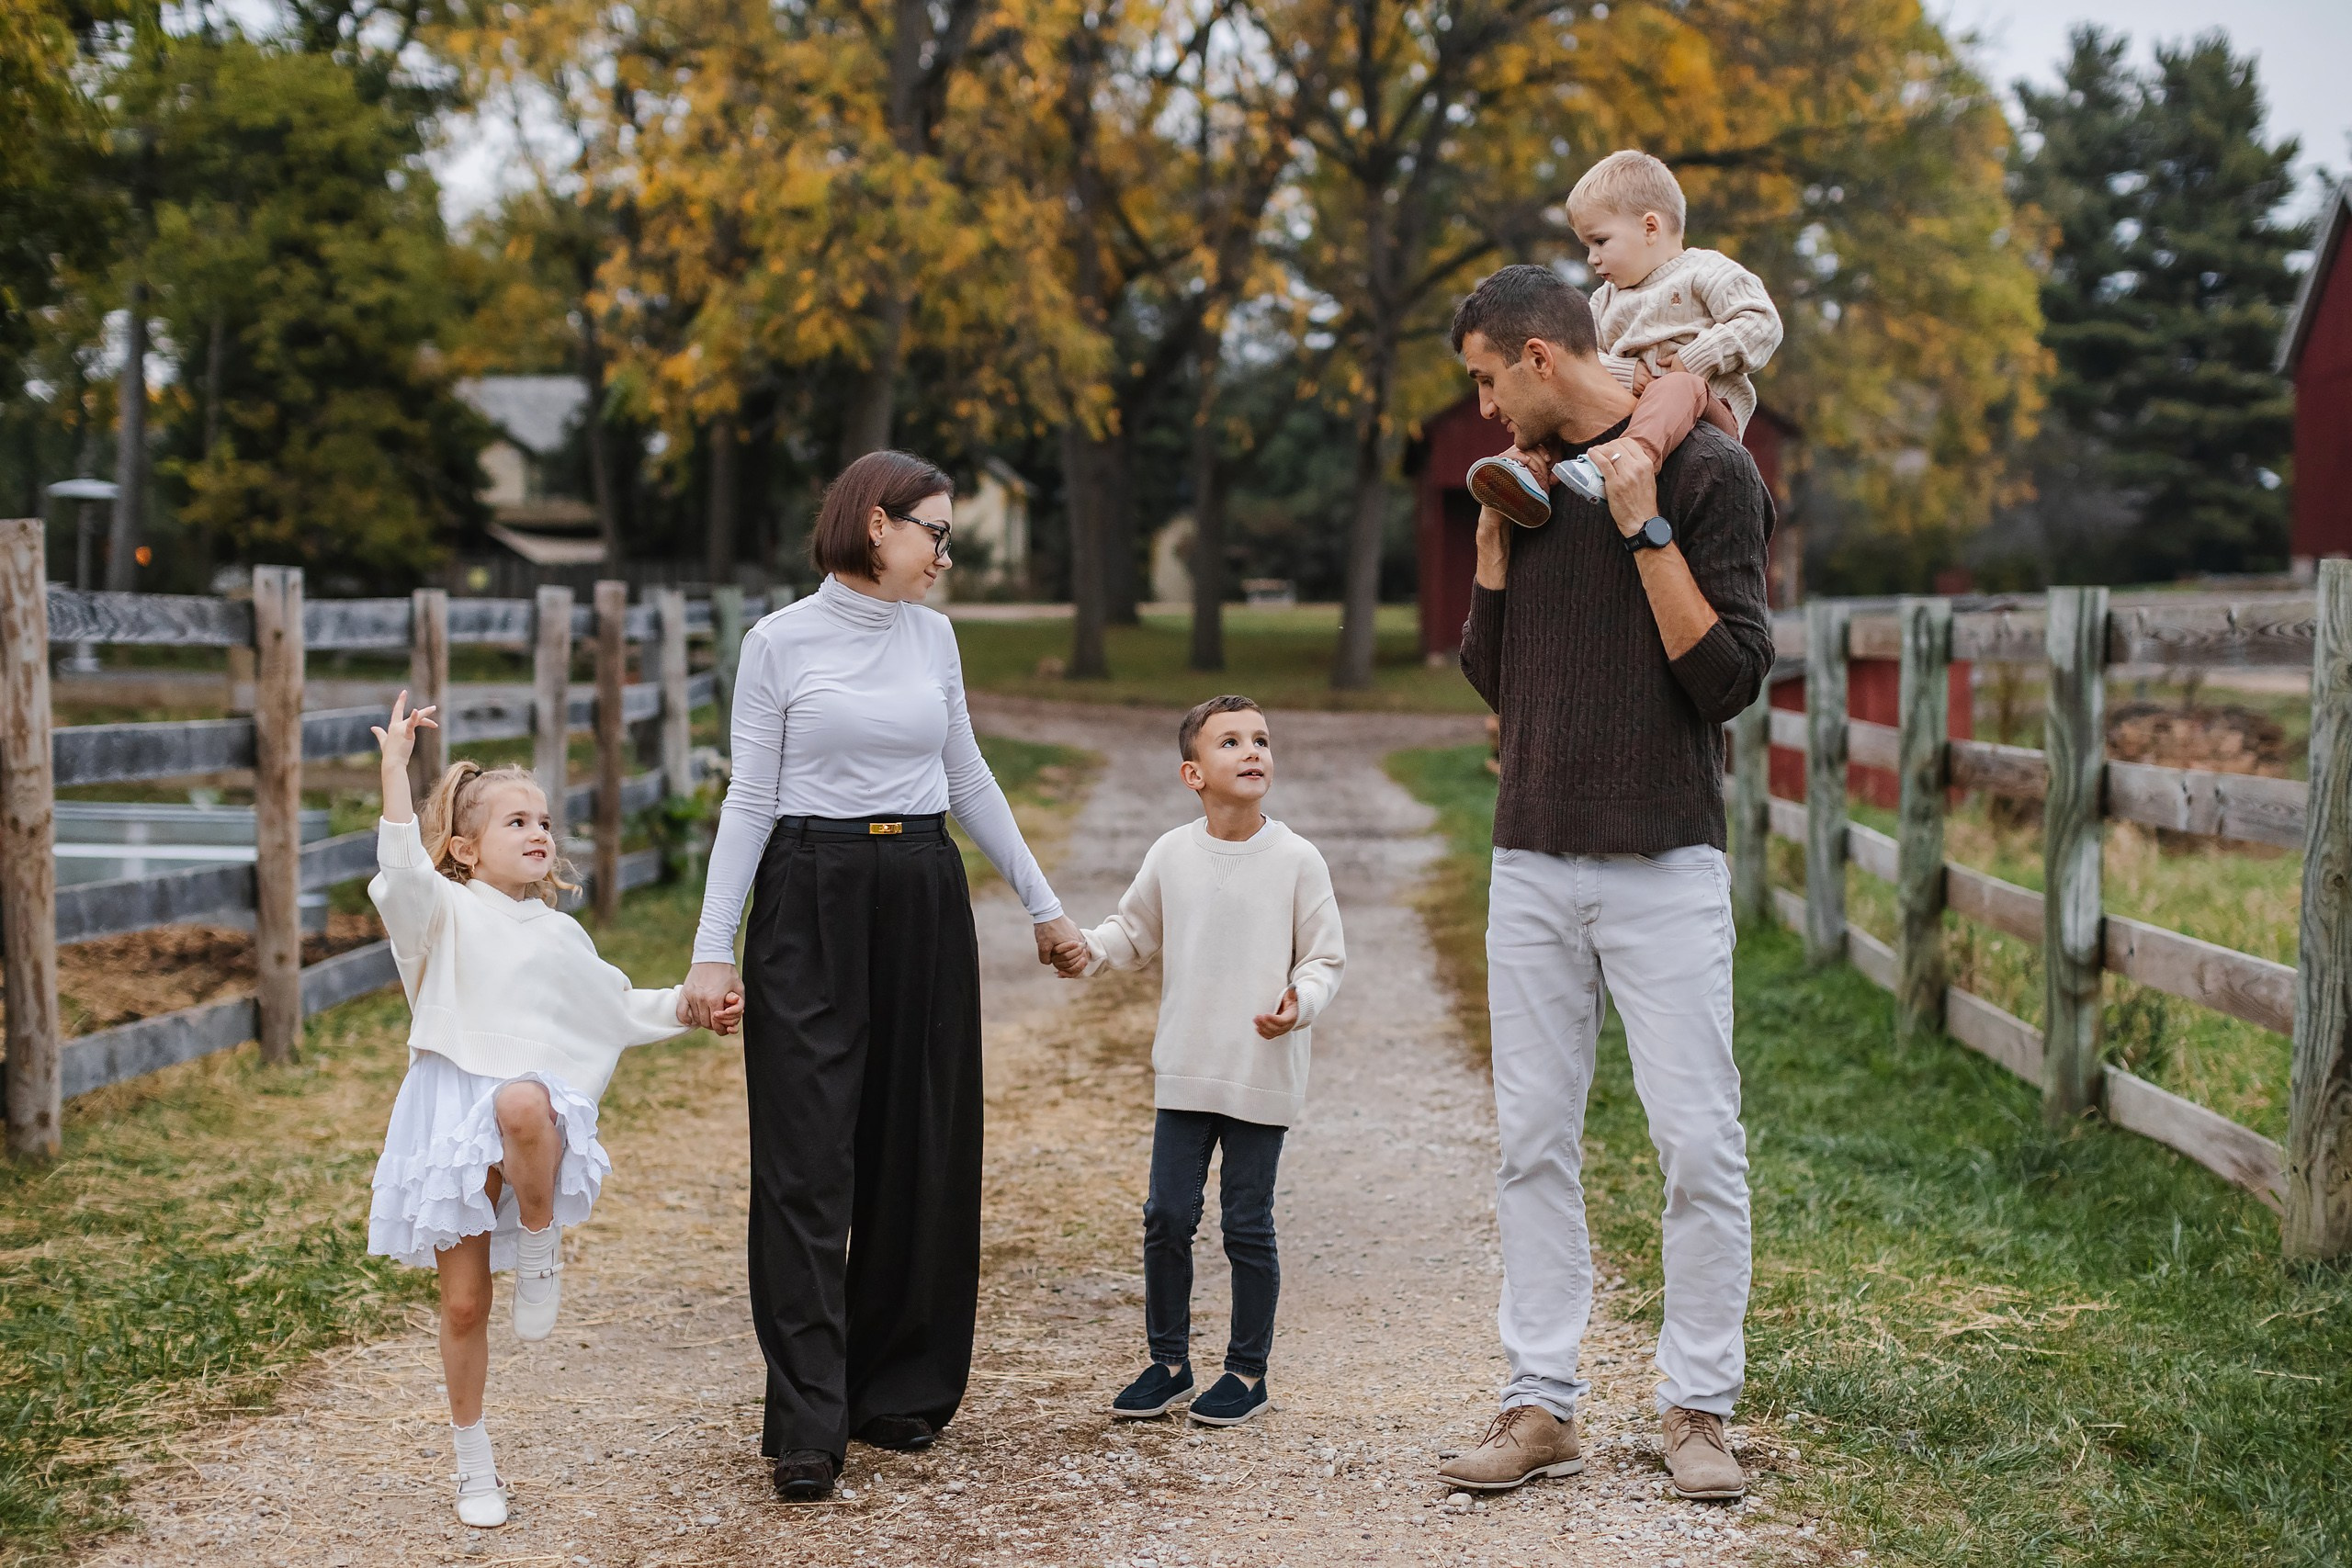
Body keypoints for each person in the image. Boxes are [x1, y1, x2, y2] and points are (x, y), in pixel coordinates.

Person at [676, 450, 1083, 1503]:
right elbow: (747, 800)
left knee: (921, 1142)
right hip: (809, 891)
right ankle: (808, 1419)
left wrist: (1042, 906)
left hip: (920, 887)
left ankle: (898, 1386)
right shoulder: (777, 643)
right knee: (808, 1156)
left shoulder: (933, 637)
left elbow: (967, 775)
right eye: (936, 533)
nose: (947, 552)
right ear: (875, 527)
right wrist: (711, 948)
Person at [1438, 263, 1775, 1502]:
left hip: (1664, 861)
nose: (1481, 411)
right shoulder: (1521, 493)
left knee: (1696, 1141)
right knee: (1532, 1137)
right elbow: (1501, 681)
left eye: (1486, 379)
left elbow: (1729, 678)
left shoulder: (1706, 474)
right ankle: (1541, 1401)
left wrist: (1641, 523)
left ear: (1538, 357)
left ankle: (1697, 1403)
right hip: (1530, 855)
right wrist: (1489, 545)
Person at [365, 694, 736, 1528]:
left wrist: (693, 1004)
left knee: (523, 1097)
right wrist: (397, 772)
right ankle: (473, 1466)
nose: (539, 833)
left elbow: (614, 1007)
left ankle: (539, 1233)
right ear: (464, 847)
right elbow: (401, 884)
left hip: (527, 1120)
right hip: (448, 1113)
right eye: (514, 823)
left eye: (543, 820)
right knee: (463, 1304)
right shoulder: (443, 912)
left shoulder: (559, 935)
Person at [1049, 695, 1344, 1428]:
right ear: (1193, 772)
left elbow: (1325, 959)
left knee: (1247, 1223)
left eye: (1262, 740)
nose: (1253, 752)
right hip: (1185, 1069)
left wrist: (1297, 1003)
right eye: (1232, 742)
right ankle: (1168, 1362)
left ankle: (1247, 1372)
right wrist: (1085, 950)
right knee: (1166, 1216)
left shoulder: (1299, 860)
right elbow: (1132, 930)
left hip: (1260, 1072)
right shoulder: (1172, 853)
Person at [1467, 150, 1782, 531]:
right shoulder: (1603, 300)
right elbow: (1583, 360)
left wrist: (1698, 358)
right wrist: (1626, 369)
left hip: (1708, 412)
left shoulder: (1705, 271)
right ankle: (1524, 473)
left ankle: (1628, 460)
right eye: (1587, 246)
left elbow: (1761, 321)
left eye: (1600, 241)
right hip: (1633, 411)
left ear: (1650, 228)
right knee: (1556, 404)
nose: (1592, 259)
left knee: (1678, 386)